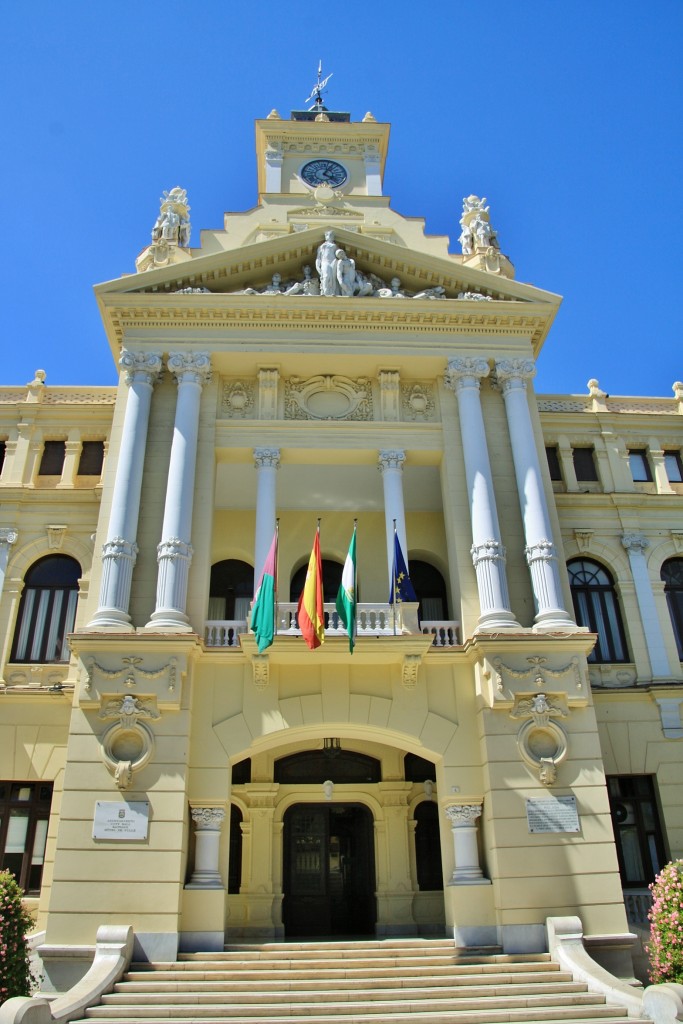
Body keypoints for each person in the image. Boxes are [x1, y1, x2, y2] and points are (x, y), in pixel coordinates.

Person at [316, 230, 338, 295]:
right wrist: (317, 267)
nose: (331, 236)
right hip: (325, 262)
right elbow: (318, 258)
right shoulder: (322, 246)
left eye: (332, 235)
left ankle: (332, 292)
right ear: (326, 237)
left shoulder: (335, 246)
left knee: (333, 277)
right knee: (326, 276)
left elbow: (339, 255)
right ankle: (325, 291)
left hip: (333, 261)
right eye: (329, 235)